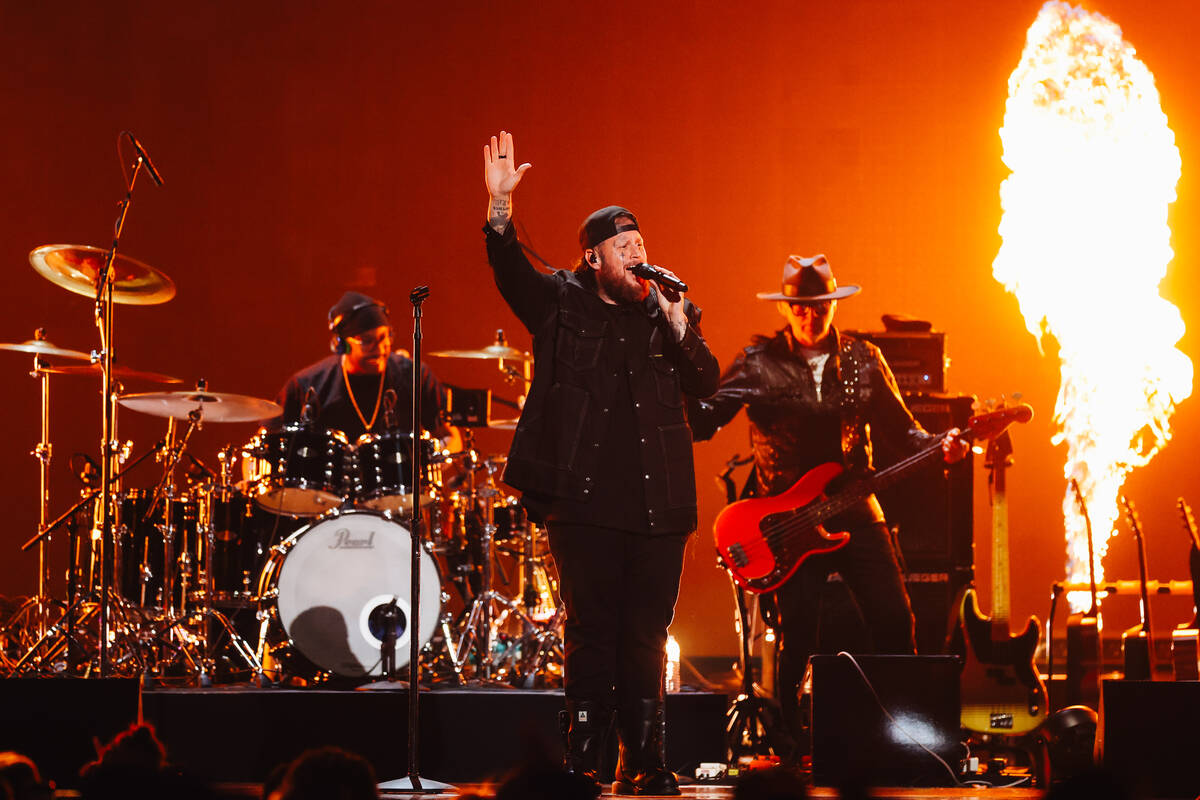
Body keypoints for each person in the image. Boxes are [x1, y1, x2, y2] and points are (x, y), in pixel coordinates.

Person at [481, 130, 720, 796]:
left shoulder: (668, 316)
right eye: (623, 247)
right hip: (582, 503)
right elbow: (509, 271)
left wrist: (676, 323)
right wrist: (500, 209)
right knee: (593, 633)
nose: (638, 255)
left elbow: (706, 379)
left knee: (646, 633)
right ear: (592, 257)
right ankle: (587, 763)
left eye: (641, 244)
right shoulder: (561, 304)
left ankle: (648, 762)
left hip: (658, 504)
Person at [689, 255, 968, 753]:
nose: (810, 315)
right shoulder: (759, 362)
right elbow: (706, 418)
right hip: (785, 522)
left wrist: (940, 446)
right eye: (800, 307)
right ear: (787, 308)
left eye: (819, 306)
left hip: (855, 507)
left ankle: (905, 731)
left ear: (832, 305)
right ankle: (787, 735)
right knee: (796, 632)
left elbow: (903, 429)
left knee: (894, 617)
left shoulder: (863, 358)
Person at [274, 290, 458, 445]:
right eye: (367, 341)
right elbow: (262, 445)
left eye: (384, 338)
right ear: (341, 344)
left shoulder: (415, 375)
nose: (379, 348)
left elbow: (451, 436)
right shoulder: (307, 384)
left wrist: (436, 463)